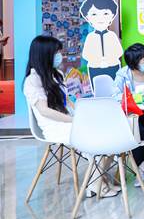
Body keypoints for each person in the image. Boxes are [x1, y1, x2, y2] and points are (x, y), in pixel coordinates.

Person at [24, 36, 119, 198]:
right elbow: (45, 111)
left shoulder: (56, 74)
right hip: (54, 126)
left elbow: (67, 102)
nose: (60, 56)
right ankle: (96, 182)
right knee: (99, 137)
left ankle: (96, 180)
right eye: (56, 52)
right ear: (44, 55)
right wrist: (74, 120)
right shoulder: (32, 80)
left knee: (111, 134)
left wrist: (81, 115)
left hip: (68, 120)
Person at [112, 43, 144, 185]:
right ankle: (140, 170)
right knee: (136, 128)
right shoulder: (123, 74)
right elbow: (114, 95)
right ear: (133, 63)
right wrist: (133, 97)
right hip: (132, 114)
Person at [80, 0, 124, 83]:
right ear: (88, 18)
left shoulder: (112, 35)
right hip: (95, 69)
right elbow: (86, 54)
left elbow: (119, 52)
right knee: (98, 88)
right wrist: (98, 61)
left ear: (112, 16)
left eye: (105, 13)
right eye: (94, 14)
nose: (100, 18)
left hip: (113, 67)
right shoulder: (90, 37)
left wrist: (108, 60)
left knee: (115, 87)